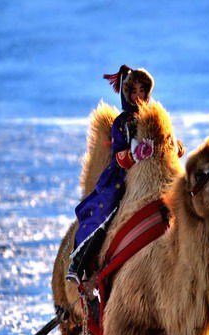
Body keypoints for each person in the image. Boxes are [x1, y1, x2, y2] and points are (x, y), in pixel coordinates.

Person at [67, 65, 176, 285]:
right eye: (134, 92)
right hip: (123, 176)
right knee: (107, 209)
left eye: (142, 91)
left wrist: (172, 147)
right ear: (127, 94)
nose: (139, 96)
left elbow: (167, 141)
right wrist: (135, 154)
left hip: (152, 175)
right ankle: (81, 260)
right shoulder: (123, 123)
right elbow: (119, 155)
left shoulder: (154, 118)